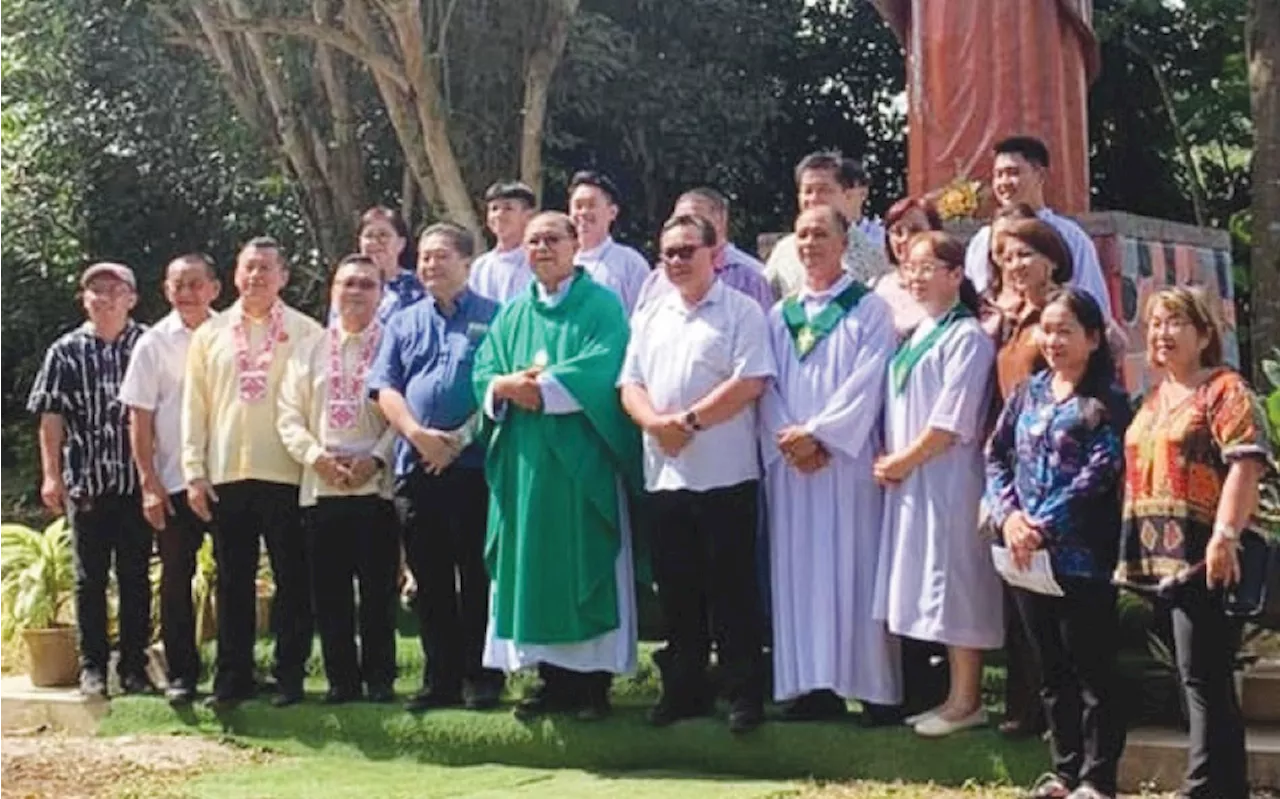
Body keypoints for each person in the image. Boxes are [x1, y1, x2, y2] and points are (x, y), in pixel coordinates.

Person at [473, 211, 641, 721]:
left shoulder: (602, 305)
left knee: (582, 562)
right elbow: (485, 369)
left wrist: (537, 390)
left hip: (579, 465)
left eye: (552, 239)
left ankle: (591, 686)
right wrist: (501, 388)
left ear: (575, 245)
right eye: (533, 241)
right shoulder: (513, 313)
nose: (541, 248)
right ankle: (548, 680)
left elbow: (604, 365)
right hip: (525, 466)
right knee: (532, 568)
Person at [619, 214, 774, 734]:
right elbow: (630, 385)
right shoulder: (651, 314)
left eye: (688, 250)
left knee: (732, 592)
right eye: (670, 253)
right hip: (666, 477)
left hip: (726, 476)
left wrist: (686, 421)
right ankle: (684, 690)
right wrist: (656, 424)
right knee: (677, 593)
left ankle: (742, 693)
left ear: (715, 255)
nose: (678, 261)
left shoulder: (742, 311)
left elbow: (750, 381)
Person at [1114, 287, 1270, 799]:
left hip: (1205, 554)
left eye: (1175, 322)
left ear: (1204, 334)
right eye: (1155, 323)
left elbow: (1245, 463)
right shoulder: (1156, 398)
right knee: (1199, 676)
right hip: (1156, 558)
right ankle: (1225, 786)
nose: (1161, 333)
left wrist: (1225, 536)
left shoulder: (1224, 390)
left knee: (1202, 675)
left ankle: (1203, 786)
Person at [986, 288, 1131, 799]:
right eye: (1047, 330)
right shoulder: (1028, 392)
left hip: (1083, 555)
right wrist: (1009, 519)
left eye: (1066, 330)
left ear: (1093, 338)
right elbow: (997, 455)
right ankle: (1063, 770)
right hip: (1025, 556)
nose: (1053, 340)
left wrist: (1041, 525)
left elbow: (1100, 472)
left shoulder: (1108, 402)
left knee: (1092, 668)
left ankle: (1098, 777)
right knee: (1049, 669)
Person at [761, 206, 901, 722]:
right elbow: (766, 385)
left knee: (855, 568)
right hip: (793, 470)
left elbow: (867, 384)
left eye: (821, 233)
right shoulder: (780, 316)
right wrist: (789, 439)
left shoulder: (869, 311)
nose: (809, 243)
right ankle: (811, 685)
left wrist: (819, 435)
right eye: (801, 234)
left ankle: (871, 688)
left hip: (845, 464)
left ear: (845, 243)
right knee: (798, 572)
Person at [182, 236, 324, 708]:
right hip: (226, 474)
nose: (256, 276)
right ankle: (232, 678)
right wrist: (194, 471)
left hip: (287, 473)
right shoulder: (211, 334)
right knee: (233, 580)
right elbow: (194, 408)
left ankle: (289, 677)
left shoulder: (308, 333)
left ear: (283, 276)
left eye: (266, 268)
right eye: (248, 268)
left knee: (293, 580)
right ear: (236, 275)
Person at [369, 223, 504, 713]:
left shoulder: (496, 317)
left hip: (473, 466)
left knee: (476, 574)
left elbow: (499, 388)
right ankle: (439, 677)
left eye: (441, 256)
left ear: (467, 262)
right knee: (429, 576)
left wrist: (456, 440)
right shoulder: (403, 322)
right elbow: (386, 388)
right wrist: (419, 436)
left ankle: (482, 676)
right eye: (424, 257)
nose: (429, 265)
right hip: (416, 466)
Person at [873, 231, 1002, 738]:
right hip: (913, 478)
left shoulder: (966, 337)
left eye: (929, 267)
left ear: (956, 275)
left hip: (948, 478)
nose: (917, 277)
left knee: (955, 584)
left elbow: (951, 422)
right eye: (910, 267)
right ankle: (950, 696)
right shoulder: (920, 332)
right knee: (930, 583)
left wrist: (902, 460)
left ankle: (968, 699)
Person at [277, 254, 398, 704]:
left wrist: (377, 458)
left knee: (377, 592)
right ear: (333, 291)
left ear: (381, 294)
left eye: (367, 284)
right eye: (348, 283)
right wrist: (316, 459)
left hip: (375, 488)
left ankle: (381, 679)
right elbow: (287, 415)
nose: (356, 292)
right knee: (329, 595)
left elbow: (403, 409)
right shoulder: (309, 347)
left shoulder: (393, 342)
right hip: (321, 487)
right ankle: (341, 682)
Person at [27, 262, 150, 699]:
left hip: (138, 483)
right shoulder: (65, 350)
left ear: (131, 298)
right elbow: (51, 416)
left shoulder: (147, 344)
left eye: (113, 290)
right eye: (95, 290)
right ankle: (93, 667)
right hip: (87, 483)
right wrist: (51, 475)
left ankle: (135, 666)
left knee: (136, 576)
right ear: (84, 299)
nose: (104, 298)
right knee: (89, 578)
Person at [119, 254, 220, 705]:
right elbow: (138, 421)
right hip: (174, 482)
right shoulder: (152, 344)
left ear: (214, 289)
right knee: (176, 580)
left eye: (195, 283)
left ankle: (236, 672)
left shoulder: (231, 335)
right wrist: (149, 483)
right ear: (165, 290)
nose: (186, 292)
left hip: (228, 478)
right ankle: (182, 674)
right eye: (178, 284)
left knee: (235, 578)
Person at [963, 136, 1109, 314]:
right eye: (998, 175)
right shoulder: (982, 240)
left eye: (1013, 172)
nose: (1004, 183)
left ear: (1040, 175)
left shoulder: (1071, 236)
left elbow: (1093, 304)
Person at [764, 152, 890, 298]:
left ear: (845, 194)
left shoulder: (872, 255)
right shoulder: (783, 251)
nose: (814, 198)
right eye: (808, 191)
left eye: (824, 190)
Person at [634, 188, 774, 313]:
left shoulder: (750, 279)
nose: (685, 227)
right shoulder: (656, 280)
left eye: (695, 219)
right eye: (679, 220)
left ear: (721, 220)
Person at [568, 170, 651, 315]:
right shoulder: (561, 260)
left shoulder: (631, 264)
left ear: (612, 212)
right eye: (578, 206)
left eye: (591, 205)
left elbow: (643, 320)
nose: (583, 213)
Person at [872, 196, 939, 336]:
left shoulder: (945, 286)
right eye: (897, 232)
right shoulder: (875, 286)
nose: (905, 238)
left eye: (916, 230)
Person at [468, 181, 537, 304]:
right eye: (494, 209)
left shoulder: (537, 261)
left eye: (508, 208)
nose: (499, 215)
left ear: (529, 216)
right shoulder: (480, 266)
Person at [353, 206, 425, 322]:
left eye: (383, 235)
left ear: (401, 244)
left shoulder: (419, 286)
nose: (375, 242)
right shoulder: (349, 287)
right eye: (369, 236)